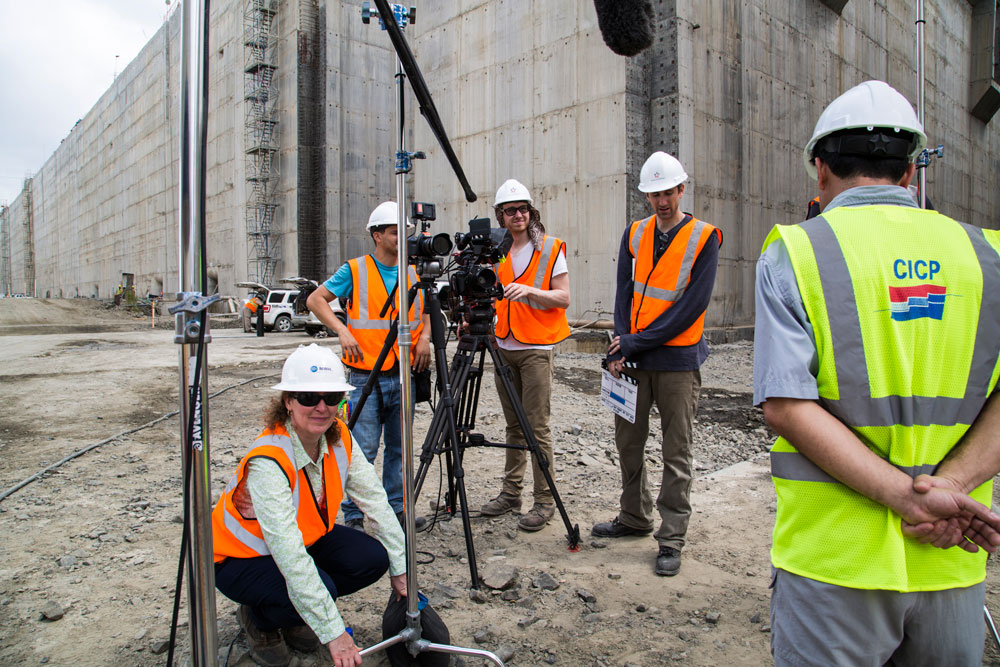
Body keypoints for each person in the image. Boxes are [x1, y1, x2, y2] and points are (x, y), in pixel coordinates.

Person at [753, 80, 1000, 666]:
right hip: (950, 552)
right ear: (910, 173)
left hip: (834, 560)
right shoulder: (986, 255)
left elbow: (786, 405)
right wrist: (952, 490)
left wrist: (905, 498)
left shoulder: (795, 252)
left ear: (821, 170)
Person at [212, 344, 406, 667]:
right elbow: (289, 555)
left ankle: (295, 612)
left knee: (373, 558)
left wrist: (401, 569)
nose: (321, 407)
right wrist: (334, 633)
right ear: (287, 402)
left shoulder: (339, 436)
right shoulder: (268, 461)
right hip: (239, 558)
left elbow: (375, 500)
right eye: (307, 397)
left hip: (302, 542)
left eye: (331, 398)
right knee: (323, 589)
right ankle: (259, 618)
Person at [593, 151, 722, 577]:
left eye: (668, 192)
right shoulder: (634, 233)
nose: (662, 201)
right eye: (654, 194)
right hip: (633, 359)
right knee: (628, 444)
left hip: (676, 362)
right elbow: (623, 295)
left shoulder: (704, 238)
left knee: (676, 451)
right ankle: (634, 516)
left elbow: (690, 309)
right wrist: (620, 346)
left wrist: (632, 342)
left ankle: (671, 538)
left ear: (682, 189)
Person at [307, 201, 431, 531]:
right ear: (377, 236)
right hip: (365, 376)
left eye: (403, 232)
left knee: (400, 448)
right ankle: (354, 514)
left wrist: (425, 338)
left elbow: (426, 310)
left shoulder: (413, 271)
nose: (401, 238)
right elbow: (315, 299)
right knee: (361, 449)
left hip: (404, 374)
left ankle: (396, 508)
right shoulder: (355, 269)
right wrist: (342, 329)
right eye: (394, 233)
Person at [478, 179, 571, 531]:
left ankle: (544, 500)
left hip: (535, 348)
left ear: (531, 212)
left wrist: (531, 291)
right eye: (509, 210)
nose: (517, 215)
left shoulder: (550, 248)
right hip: (503, 345)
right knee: (514, 426)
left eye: (522, 209)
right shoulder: (497, 252)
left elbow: (564, 298)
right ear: (500, 216)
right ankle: (510, 493)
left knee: (537, 426)